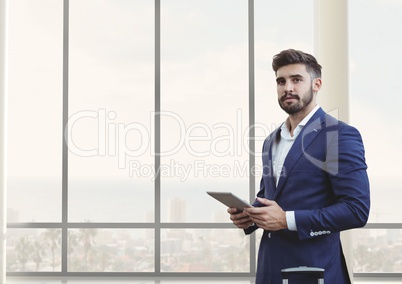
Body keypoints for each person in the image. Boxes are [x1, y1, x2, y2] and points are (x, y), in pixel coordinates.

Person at [228, 49, 370, 284]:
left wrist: (287, 220)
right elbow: (269, 197)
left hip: (314, 270)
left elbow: (356, 210)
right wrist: (250, 214)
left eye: (296, 79)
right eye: (281, 81)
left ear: (316, 84)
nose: (287, 88)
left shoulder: (339, 135)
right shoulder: (271, 140)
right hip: (269, 270)